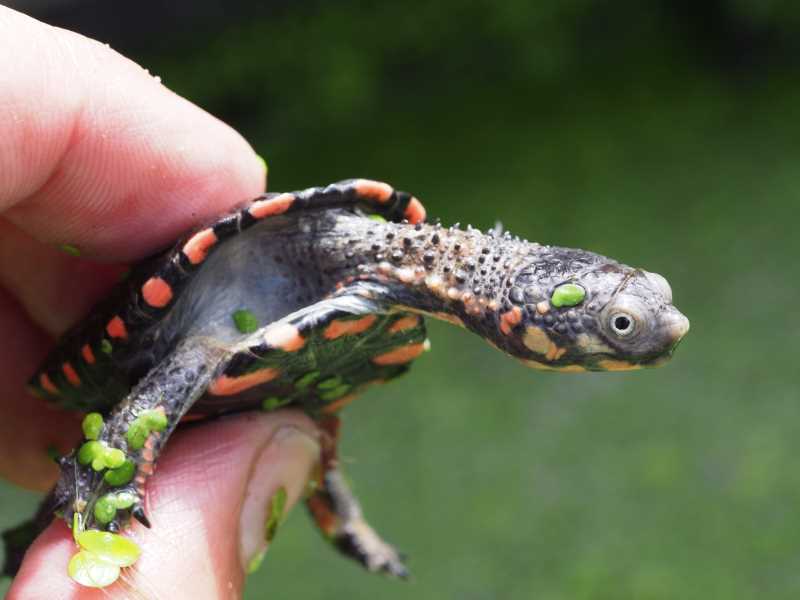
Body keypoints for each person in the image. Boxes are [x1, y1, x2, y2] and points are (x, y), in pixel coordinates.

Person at [1, 6, 320, 598]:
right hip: (180, 332)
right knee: (182, 373)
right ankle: (83, 511)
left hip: (281, 384)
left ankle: (335, 506)